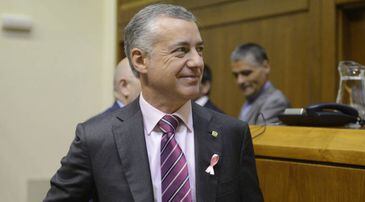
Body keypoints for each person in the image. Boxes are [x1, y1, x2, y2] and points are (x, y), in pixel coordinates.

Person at [44, 4, 263, 202]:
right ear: (140, 60)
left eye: (200, 49)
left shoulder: (232, 134)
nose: (197, 62)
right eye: (182, 50)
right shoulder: (97, 138)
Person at [231, 43, 290, 125]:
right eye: (236, 75)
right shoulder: (251, 100)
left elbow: (261, 136)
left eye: (246, 73)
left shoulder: (276, 101)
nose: (239, 81)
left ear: (266, 67)